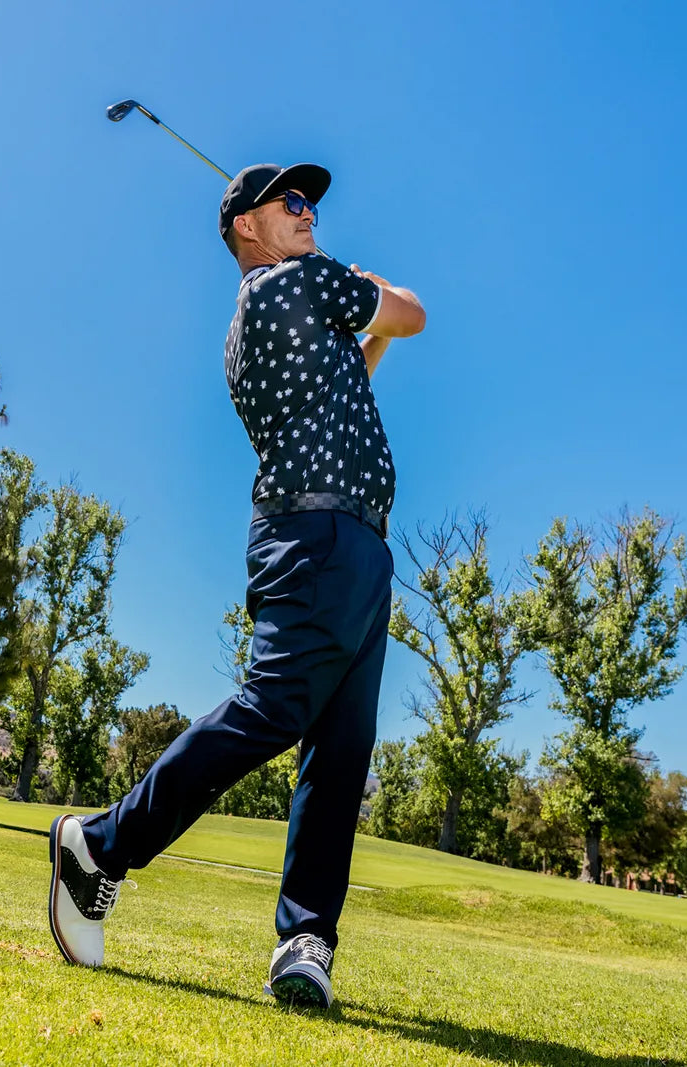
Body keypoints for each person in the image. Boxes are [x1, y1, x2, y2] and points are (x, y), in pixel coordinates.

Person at [47, 162, 426, 1009]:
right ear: (246, 229)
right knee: (273, 710)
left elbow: (352, 379)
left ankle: (305, 940)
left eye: (313, 201)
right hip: (317, 534)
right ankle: (101, 844)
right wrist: (376, 290)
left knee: (340, 750)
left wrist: (370, 326)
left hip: (359, 544)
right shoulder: (293, 282)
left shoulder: (283, 311)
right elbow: (414, 313)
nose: (308, 211)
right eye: (290, 202)